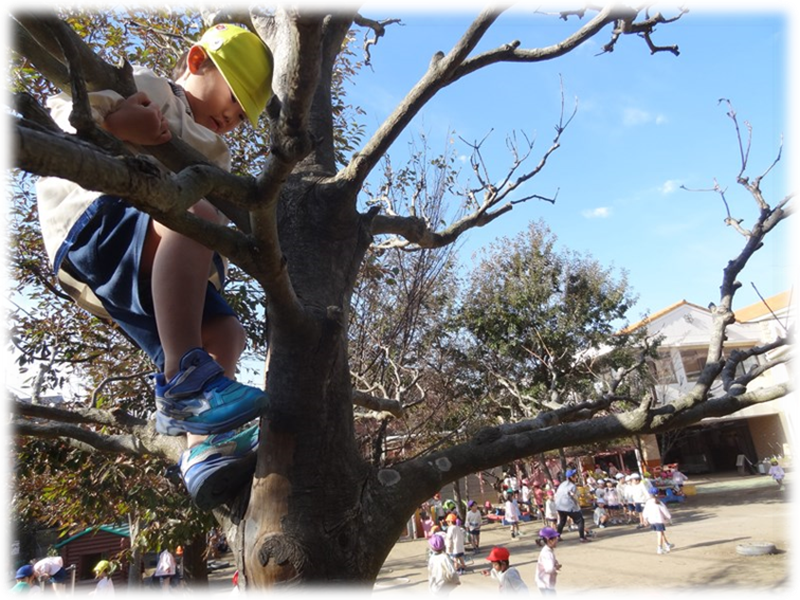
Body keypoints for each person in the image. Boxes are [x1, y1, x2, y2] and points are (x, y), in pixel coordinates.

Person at [35, 24, 274, 509]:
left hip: (154, 259)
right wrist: (118, 123)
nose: (233, 116)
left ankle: (201, 447)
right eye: (232, 97)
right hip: (94, 218)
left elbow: (213, 230)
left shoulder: (216, 152)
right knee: (196, 215)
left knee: (227, 332)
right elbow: (65, 112)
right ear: (197, 60)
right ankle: (184, 381)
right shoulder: (148, 88)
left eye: (244, 114)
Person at [554, 469, 589, 542]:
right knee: (580, 520)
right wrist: (578, 506)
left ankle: (557, 536)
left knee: (562, 521)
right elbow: (575, 497)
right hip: (568, 506)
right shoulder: (572, 486)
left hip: (559, 506)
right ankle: (582, 538)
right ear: (571, 477)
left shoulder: (562, 484)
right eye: (575, 475)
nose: (576, 477)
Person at [642, 487, 675, 554]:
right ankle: (659, 548)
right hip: (659, 520)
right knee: (659, 533)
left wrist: (645, 518)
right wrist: (669, 517)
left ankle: (667, 544)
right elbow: (665, 511)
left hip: (652, 520)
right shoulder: (658, 502)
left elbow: (645, 511)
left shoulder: (648, 502)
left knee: (661, 532)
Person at [428, 534, 460, 600]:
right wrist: (456, 580)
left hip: (434, 588)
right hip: (442, 589)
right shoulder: (444, 557)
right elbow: (452, 573)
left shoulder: (431, 558)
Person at [534, 527, 562, 599]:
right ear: (549, 540)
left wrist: (555, 563)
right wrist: (555, 567)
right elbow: (549, 569)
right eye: (555, 538)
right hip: (546, 583)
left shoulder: (548, 550)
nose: (557, 540)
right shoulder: (547, 553)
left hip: (543, 582)